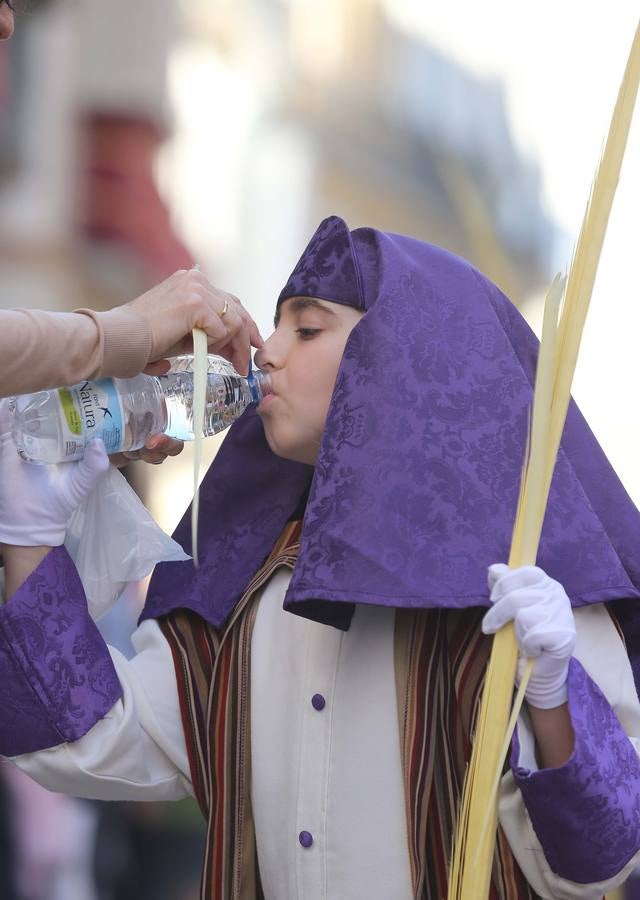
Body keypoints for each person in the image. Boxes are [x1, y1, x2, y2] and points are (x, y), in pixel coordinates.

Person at [2, 216, 640, 900]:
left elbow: (600, 863)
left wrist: (552, 697)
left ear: (402, 354)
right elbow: (97, 741)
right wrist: (28, 532)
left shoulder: (529, 594)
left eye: (305, 329)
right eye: (276, 327)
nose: (265, 354)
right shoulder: (247, 589)